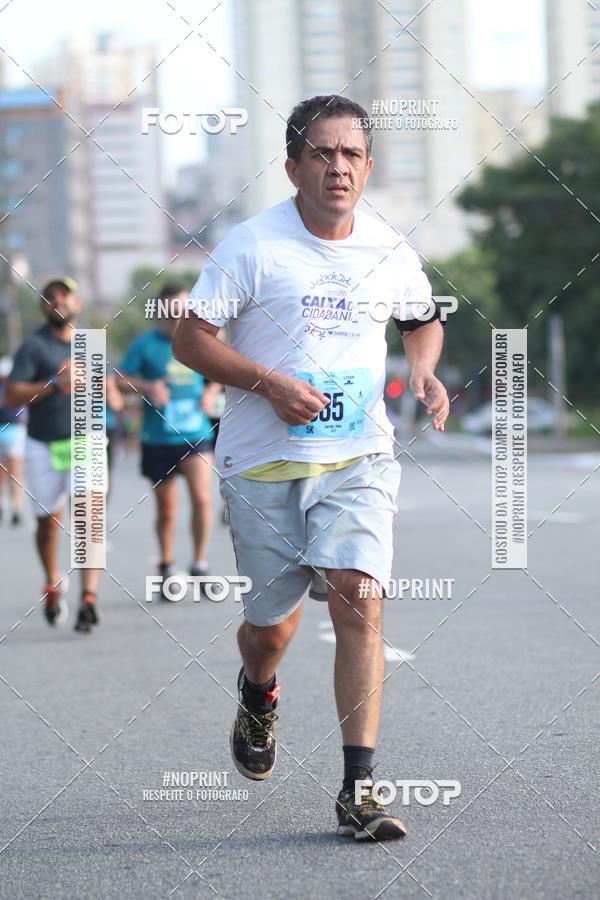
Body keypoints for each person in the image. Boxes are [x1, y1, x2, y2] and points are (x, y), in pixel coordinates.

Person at [173, 95, 450, 841]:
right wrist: (267, 383)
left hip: (358, 456)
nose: (338, 167)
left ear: (368, 166)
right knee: (271, 632)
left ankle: (357, 789)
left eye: (352, 154)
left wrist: (424, 374)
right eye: (322, 153)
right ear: (292, 165)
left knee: (358, 596)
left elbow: (422, 320)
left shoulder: (389, 249)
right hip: (264, 466)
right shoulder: (252, 247)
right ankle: (257, 692)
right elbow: (191, 343)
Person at [4, 278, 112, 633]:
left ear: (77, 303)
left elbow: (109, 390)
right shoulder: (33, 346)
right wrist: (54, 383)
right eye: (48, 298)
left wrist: (114, 391)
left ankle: (89, 599)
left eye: (63, 296)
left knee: (88, 510)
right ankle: (53, 582)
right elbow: (12, 395)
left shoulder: (91, 343)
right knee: (47, 525)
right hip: (43, 444)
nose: (56, 302)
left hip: (86, 441)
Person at [118, 282, 220, 596]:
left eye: (185, 309)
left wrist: (209, 392)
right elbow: (119, 380)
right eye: (173, 309)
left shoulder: (201, 339)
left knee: (202, 498)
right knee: (168, 510)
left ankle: (199, 563)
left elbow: (218, 371)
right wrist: (147, 387)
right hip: (158, 437)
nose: (179, 315)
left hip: (196, 433)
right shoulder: (146, 345)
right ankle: (165, 565)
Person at [0, 356, 26, 526]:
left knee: (15, 472)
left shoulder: (18, 388)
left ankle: (16, 507)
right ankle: (3, 505)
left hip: (15, 430)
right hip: (5, 430)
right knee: (4, 472)